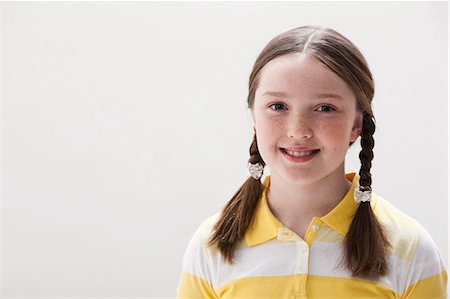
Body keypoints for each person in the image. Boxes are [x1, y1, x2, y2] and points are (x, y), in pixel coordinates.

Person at [176, 25, 448, 298]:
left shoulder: (411, 249)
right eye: (278, 106)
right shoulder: (211, 244)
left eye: (325, 108)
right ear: (254, 117)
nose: (298, 130)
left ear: (357, 124)